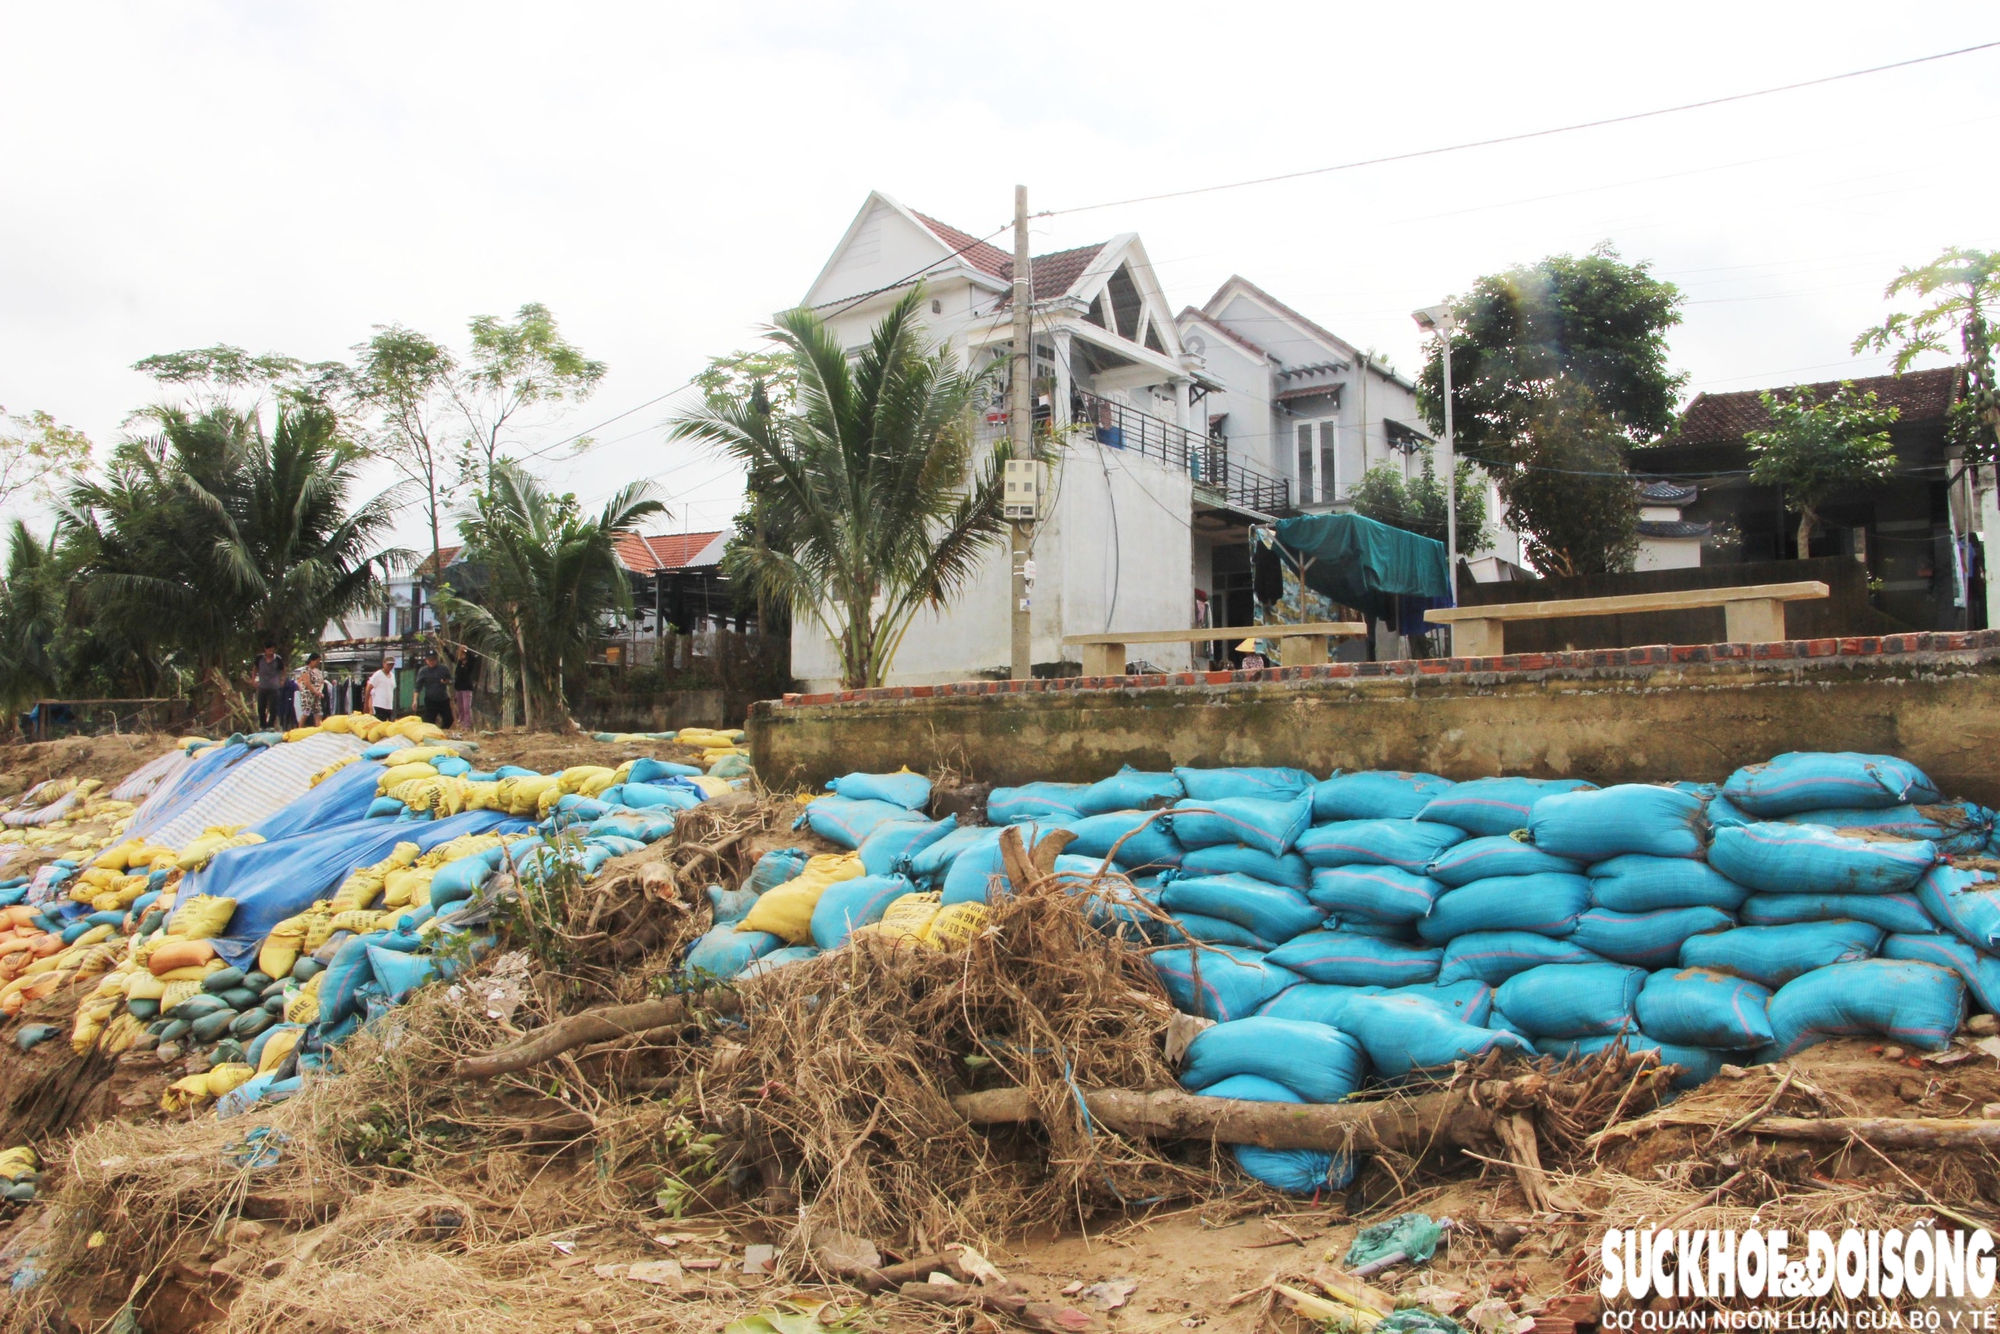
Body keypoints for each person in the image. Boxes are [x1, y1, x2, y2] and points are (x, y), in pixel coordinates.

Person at [415, 649, 454, 729]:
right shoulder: (423, 671)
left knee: (449, 720)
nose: (431, 662)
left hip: (443, 699)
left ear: (437, 660)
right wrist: (415, 700)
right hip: (430, 699)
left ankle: (442, 731)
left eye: (433, 660)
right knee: (429, 722)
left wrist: (446, 682)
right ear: (426, 660)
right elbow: (418, 687)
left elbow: (451, 680)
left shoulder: (444, 668)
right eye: (429, 660)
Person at [252, 643, 287, 729]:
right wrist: (253, 679)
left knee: (273, 707)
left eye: (272, 650)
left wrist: (282, 680)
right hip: (262, 686)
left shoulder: (278, 659)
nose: (271, 652)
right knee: (261, 707)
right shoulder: (260, 658)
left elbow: (284, 670)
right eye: (269, 650)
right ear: (265, 650)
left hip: (274, 687)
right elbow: (255, 669)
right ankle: (263, 725)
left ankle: (270, 725)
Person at [294, 652, 328, 726]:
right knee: (306, 713)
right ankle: (300, 728)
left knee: (318, 713)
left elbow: (321, 682)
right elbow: (307, 683)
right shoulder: (305, 670)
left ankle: (318, 729)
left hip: (317, 694)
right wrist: (314, 691)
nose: (318, 663)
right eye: (317, 661)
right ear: (312, 660)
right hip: (308, 694)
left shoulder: (317, 671)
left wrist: (319, 691)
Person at [451, 647, 479, 732]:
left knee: (466, 707)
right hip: (459, 688)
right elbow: (450, 657)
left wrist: (466, 649)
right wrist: (444, 646)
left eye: (462, 653)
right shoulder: (459, 663)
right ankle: (461, 723)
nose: (460, 655)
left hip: (467, 688)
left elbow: (473, 657)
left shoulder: (470, 663)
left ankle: (467, 725)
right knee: (460, 708)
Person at [366, 657, 397, 722]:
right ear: (383, 664)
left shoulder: (392, 676)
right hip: (379, 705)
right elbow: (369, 688)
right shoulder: (378, 674)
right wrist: (366, 704)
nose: (390, 666)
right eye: (388, 664)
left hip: (389, 706)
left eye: (392, 665)